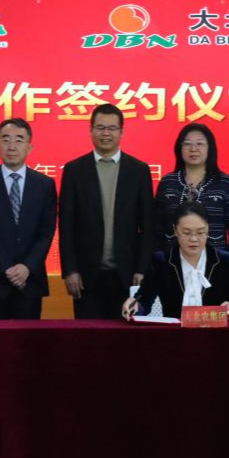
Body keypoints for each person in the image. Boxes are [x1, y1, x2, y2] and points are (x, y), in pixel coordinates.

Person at [59, 103, 156, 320]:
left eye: (112, 128)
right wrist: (70, 270)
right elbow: (66, 226)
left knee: (125, 336)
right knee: (88, 337)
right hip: (85, 277)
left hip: (127, 275)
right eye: (100, 127)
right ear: (91, 130)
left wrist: (142, 269)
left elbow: (147, 226)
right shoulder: (74, 170)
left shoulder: (138, 170)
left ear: (121, 132)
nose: (106, 133)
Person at [0, 118, 56, 320]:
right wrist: (5, 268)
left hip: (30, 281)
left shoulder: (44, 185)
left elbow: (46, 231)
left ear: (29, 147)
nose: (12, 146)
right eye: (6, 139)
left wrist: (27, 267)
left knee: (29, 339)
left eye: (19, 140)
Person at [122, 202, 229, 320]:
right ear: (175, 230)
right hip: (174, 331)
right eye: (186, 233)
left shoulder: (225, 261)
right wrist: (135, 306)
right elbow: (143, 300)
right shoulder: (161, 261)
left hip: (216, 330)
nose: (194, 239)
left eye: (200, 232)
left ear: (208, 229)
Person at [154, 122, 229, 259]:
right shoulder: (168, 183)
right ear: (179, 148)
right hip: (172, 263)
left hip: (215, 263)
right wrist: (156, 263)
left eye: (200, 143)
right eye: (187, 144)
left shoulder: (226, 183)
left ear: (210, 148)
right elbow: (156, 229)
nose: (193, 149)